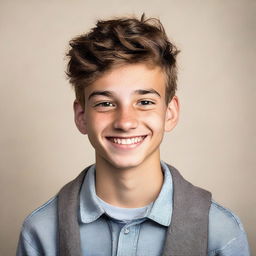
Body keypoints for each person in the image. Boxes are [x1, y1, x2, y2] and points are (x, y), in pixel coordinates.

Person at [16, 14, 250, 256]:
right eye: (105, 104)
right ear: (81, 116)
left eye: (145, 101)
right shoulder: (40, 233)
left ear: (170, 113)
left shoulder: (221, 234)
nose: (125, 122)